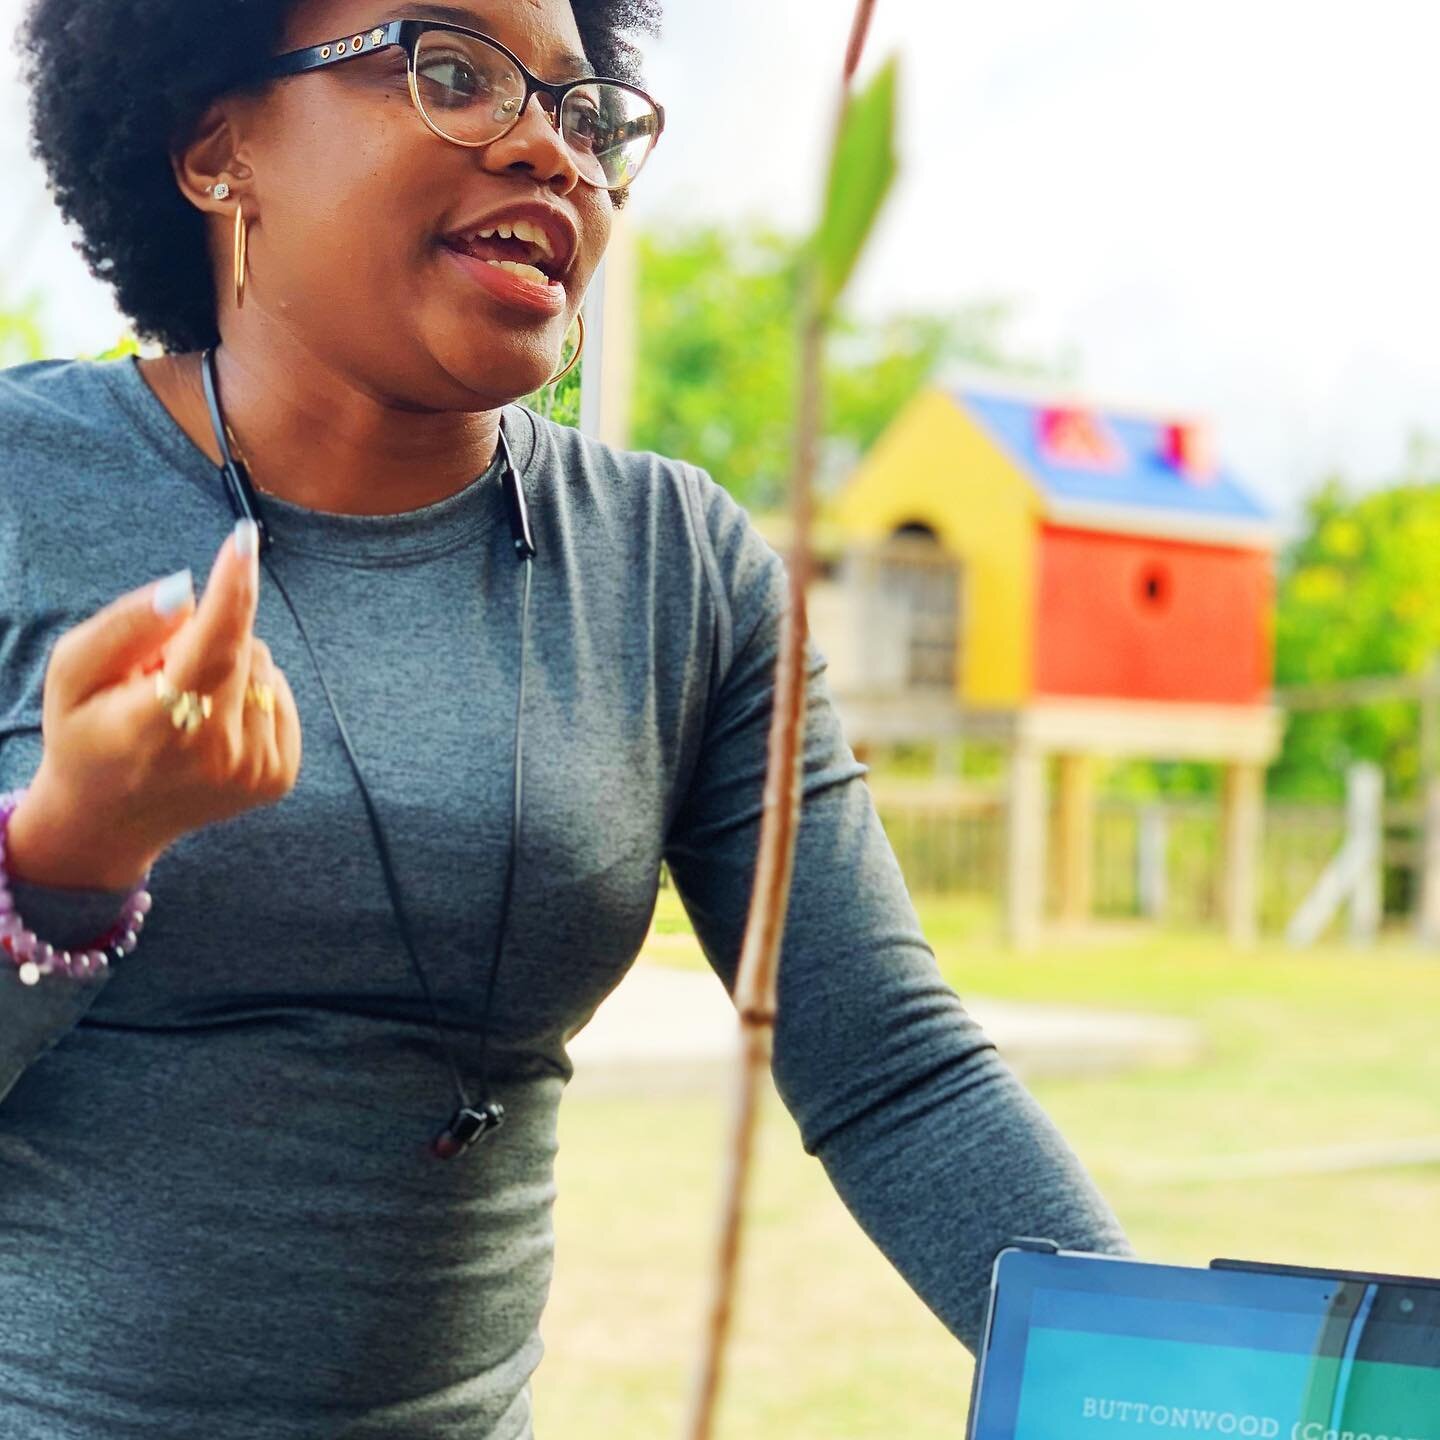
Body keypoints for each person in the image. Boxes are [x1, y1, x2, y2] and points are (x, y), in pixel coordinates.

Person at [0, 0, 1130, 1435]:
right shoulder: (23, 489)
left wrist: (1157, 1387)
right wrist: (66, 861)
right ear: (217, 147)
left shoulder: (676, 568)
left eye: (584, 112)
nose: (553, 148)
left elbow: (891, 1070)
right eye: (453, 71)